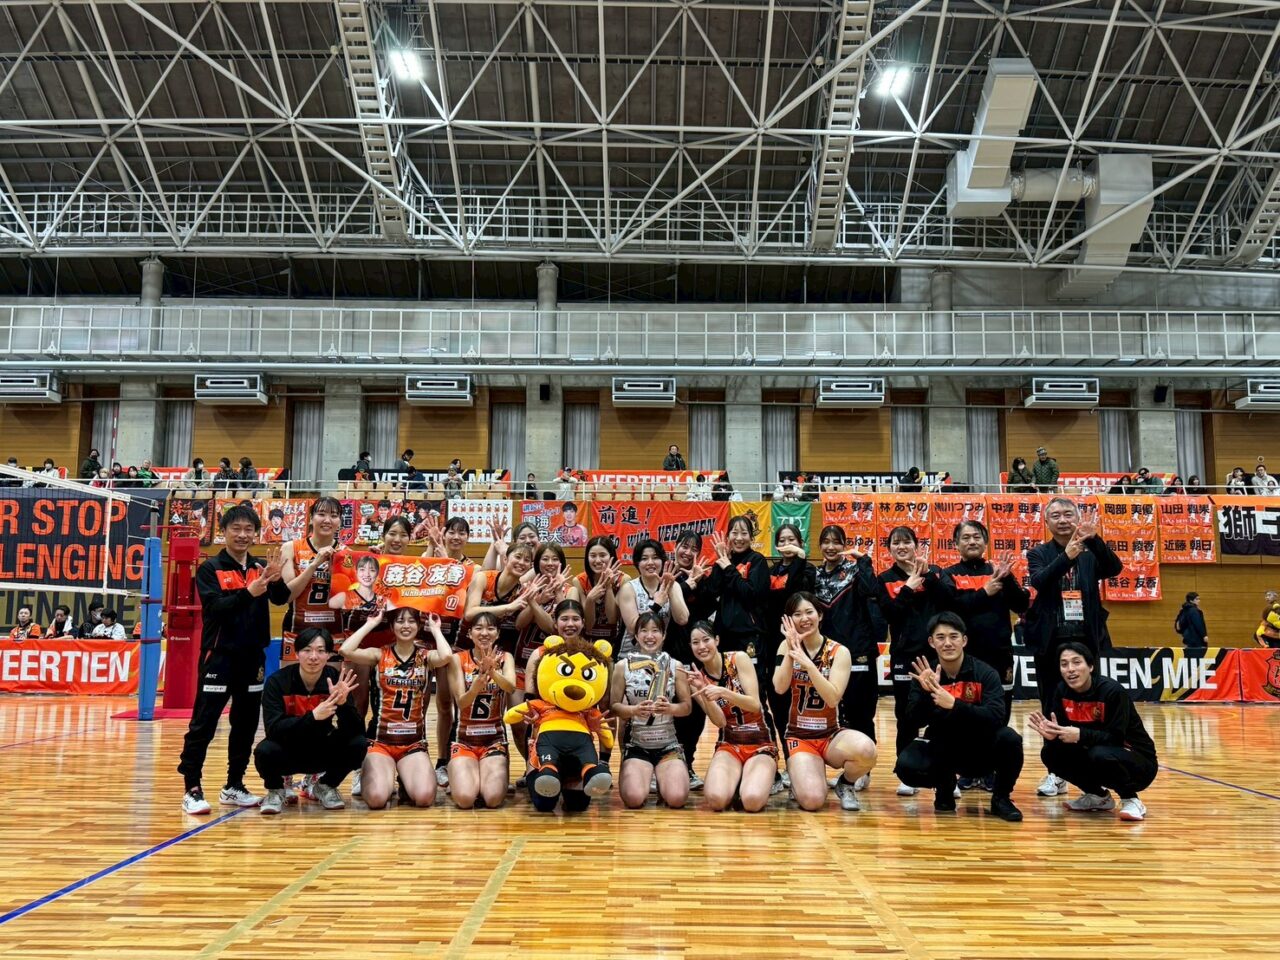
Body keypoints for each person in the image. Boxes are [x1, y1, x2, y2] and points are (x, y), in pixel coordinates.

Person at [177, 503, 291, 815]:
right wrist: (248, 592)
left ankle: (234, 785)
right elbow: (215, 609)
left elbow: (281, 598)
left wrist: (276, 580)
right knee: (204, 723)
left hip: (253, 657)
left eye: (248, 529)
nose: (242, 535)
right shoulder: (210, 568)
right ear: (224, 532)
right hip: (219, 658)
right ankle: (192, 788)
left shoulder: (259, 566)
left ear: (256, 534)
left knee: (245, 724)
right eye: (236, 529)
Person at [1025, 497, 1123, 797]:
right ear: (1047, 522)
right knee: (1052, 706)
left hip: (1085, 639)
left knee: (1090, 708)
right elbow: (1040, 580)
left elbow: (1114, 568)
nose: (1063, 520)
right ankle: (1056, 773)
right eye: (1055, 515)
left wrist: (1095, 540)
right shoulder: (1038, 553)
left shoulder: (1091, 551)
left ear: (1077, 518)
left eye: (1068, 514)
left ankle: (1093, 771)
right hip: (1050, 641)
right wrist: (1066, 557)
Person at [895, 613, 1024, 821]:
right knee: (907, 765)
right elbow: (912, 720)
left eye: (953, 636)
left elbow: (996, 717)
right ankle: (944, 789)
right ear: (931, 642)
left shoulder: (985, 673)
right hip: (944, 747)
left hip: (981, 749)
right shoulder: (926, 675)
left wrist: (955, 705)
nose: (947, 643)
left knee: (1010, 739)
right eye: (940, 637)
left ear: (964, 640)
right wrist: (927, 694)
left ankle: (1001, 798)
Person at [338, 605, 453, 809]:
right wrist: (371, 623)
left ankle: (405, 780)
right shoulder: (379, 654)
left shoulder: (426, 656)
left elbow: (446, 656)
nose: (406, 625)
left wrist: (435, 629)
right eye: (400, 621)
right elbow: (345, 650)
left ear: (419, 626)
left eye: (411, 621)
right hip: (381, 741)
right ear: (392, 626)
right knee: (376, 799)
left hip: (413, 744)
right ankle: (374, 771)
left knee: (425, 798)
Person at [771, 593, 877, 812]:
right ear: (789, 620)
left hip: (830, 735)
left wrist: (809, 666)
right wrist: (792, 649)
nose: (804, 618)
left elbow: (832, 697)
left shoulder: (839, 651)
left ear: (819, 615)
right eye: (797, 614)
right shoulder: (784, 647)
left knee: (867, 750)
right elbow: (779, 687)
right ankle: (800, 775)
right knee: (812, 801)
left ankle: (845, 784)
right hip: (799, 737)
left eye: (809, 612)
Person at [1030, 641, 1157, 821]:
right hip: (1097, 753)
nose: (1070, 669)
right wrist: (1054, 736)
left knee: (1099, 753)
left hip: (1138, 762)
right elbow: (1065, 735)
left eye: (1076, 662)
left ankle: (1131, 799)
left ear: (1090, 666)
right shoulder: (1061, 691)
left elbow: (1115, 738)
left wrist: (1080, 735)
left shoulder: (1112, 692)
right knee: (1051, 753)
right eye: (1064, 664)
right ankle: (1098, 796)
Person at [253, 628, 367, 815]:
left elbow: (356, 730)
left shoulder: (335, 680)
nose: (313, 657)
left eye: (321, 651)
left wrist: (344, 705)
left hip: (322, 751)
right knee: (264, 751)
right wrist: (312, 717)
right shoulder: (277, 682)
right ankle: (276, 790)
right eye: (307, 650)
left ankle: (326, 786)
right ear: (297, 653)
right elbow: (273, 729)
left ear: (328, 655)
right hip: (288, 751)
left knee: (359, 744)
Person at [937, 520, 1029, 729]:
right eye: (966, 538)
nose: (972, 541)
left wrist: (1007, 579)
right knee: (965, 710)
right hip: (965, 657)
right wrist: (984, 593)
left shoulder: (997, 571)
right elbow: (951, 609)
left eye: (977, 537)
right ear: (956, 544)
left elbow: (1021, 605)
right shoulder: (948, 574)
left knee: (1000, 711)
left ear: (985, 542)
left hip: (999, 653)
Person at [875, 525, 942, 796]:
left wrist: (928, 578)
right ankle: (906, 773)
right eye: (896, 543)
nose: (901, 547)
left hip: (936, 655)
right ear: (889, 549)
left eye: (906, 542)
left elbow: (949, 602)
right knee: (905, 714)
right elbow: (889, 614)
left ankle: (944, 773)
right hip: (904, 656)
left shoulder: (934, 572)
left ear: (917, 545)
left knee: (940, 712)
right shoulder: (885, 579)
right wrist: (907, 588)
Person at [812, 526, 881, 786]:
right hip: (827, 655)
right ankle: (842, 769)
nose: (831, 547)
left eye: (836, 542)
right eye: (826, 542)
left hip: (858, 651)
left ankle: (863, 771)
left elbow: (872, 590)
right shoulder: (815, 575)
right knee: (834, 714)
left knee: (861, 712)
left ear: (844, 545)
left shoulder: (854, 571)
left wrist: (864, 561)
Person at [684, 621, 775, 812]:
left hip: (760, 743)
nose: (701, 646)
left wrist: (723, 692)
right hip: (730, 744)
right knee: (716, 801)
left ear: (717, 640)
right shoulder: (696, 679)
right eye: (695, 642)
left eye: (706, 640)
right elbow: (720, 722)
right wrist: (704, 692)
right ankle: (736, 781)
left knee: (752, 801)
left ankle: (747, 780)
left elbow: (755, 704)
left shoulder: (738, 658)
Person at [611, 611, 692, 809]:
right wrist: (634, 710)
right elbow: (614, 707)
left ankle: (665, 781)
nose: (649, 636)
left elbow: (687, 708)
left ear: (664, 635)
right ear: (636, 635)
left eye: (655, 630)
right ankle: (640, 773)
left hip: (668, 745)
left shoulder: (675, 665)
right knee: (633, 799)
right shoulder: (622, 666)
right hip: (637, 745)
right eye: (644, 631)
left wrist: (670, 708)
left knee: (677, 798)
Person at [448, 610, 517, 810]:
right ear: (470, 634)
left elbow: (511, 688)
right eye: (478, 628)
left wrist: (492, 672)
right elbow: (461, 703)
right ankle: (461, 776)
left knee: (493, 799)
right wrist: (476, 686)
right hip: (464, 740)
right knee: (465, 799)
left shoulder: (506, 657)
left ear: (498, 633)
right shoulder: (458, 659)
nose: (484, 633)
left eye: (490, 628)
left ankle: (484, 776)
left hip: (494, 740)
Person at [668, 532, 718, 788]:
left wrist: (700, 582)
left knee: (697, 715)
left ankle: (687, 763)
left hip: (695, 659)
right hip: (669, 657)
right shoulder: (666, 575)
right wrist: (686, 584)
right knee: (671, 712)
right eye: (684, 546)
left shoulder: (702, 579)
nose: (687, 552)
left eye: (693, 549)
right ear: (675, 547)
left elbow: (708, 612)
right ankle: (667, 766)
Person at [764, 523, 816, 763]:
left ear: (801, 544)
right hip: (775, 641)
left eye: (792, 540)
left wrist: (800, 559)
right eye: (782, 541)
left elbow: (794, 595)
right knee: (778, 702)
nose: (787, 545)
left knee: (800, 703)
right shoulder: (771, 571)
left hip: (802, 642)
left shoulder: (808, 569)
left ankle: (804, 759)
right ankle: (786, 758)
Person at [618, 539, 687, 657]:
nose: (650, 562)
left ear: (662, 561)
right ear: (637, 563)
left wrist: (669, 587)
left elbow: (682, 619)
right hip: (629, 656)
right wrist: (657, 605)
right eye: (644, 558)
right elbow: (632, 628)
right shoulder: (628, 588)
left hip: (660, 655)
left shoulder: (673, 585)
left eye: (655, 558)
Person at [577, 536, 624, 648]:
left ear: (611, 556)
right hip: (587, 643)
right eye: (593, 556)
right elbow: (588, 625)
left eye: (602, 555)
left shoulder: (623, 580)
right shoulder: (580, 581)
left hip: (615, 643)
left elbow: (612, 619)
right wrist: (590, 600)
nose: (597, 560)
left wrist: (608, 586)